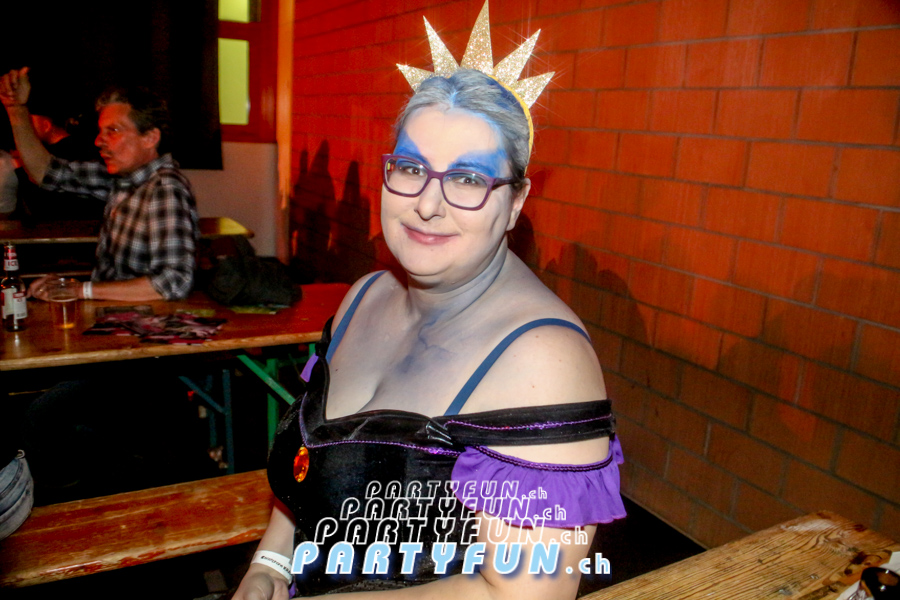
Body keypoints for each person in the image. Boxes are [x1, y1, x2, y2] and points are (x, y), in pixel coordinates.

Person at [234, 65, 624, 600]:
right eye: (411, 168)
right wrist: (271, 566)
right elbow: (309, 466)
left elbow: (520, 595)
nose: (427, 204)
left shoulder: (544, 361)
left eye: (468, 179)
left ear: (516, 202)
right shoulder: (362, 299)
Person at [0, 67, 199, 301]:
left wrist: (81, 290)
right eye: (100, 131)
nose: (98, 141)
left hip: (141, 318)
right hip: (115, 312)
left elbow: (174, 282)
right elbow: (46, 172)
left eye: (113, 131)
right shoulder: (124, 180)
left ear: (150, 138)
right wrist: (16, 109)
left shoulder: (164, 189)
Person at [14, 89, 105, 220]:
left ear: (46, 125)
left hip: (68, 225)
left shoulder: (66, 152)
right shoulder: (82, 147)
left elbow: (44, 188)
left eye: (30, 123)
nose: (26, 129)